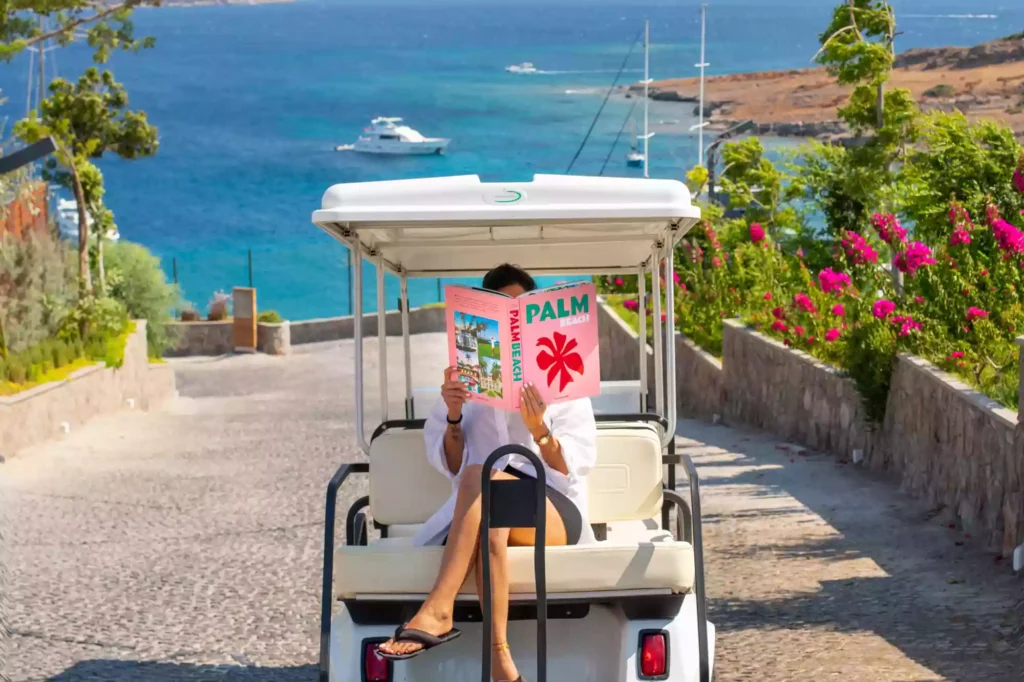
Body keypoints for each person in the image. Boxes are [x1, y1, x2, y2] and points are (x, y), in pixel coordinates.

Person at [377, 264, 598, 682]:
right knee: (490, 511)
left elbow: (572, 469)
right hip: (486, 509)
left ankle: (437, 609)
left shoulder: (565, 380)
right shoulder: (466, 383)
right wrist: (454, 414)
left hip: (552, 508)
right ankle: (500, 662)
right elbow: (450, 464)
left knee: (484, 477)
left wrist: (539, 430)